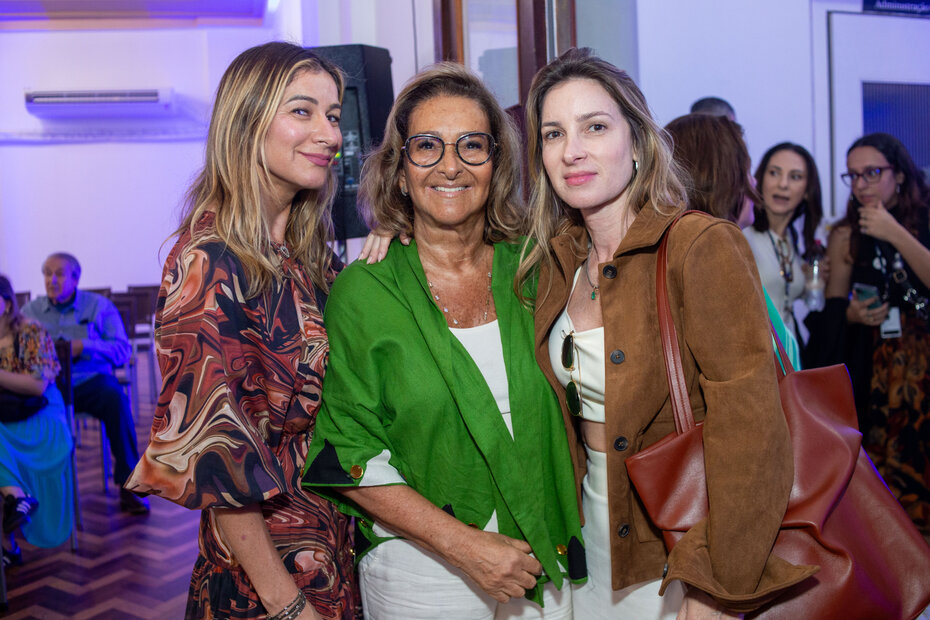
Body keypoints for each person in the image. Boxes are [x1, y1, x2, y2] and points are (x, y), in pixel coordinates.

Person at [518, 48, 811, 619]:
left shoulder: (698, 246)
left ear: (638, 140)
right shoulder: (556, 263)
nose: (571, 150)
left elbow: (750, 426)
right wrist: (391, 232)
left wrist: (720, 585)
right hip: (588, 534)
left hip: (683, 541)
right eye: (553, 133)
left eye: (595, 127)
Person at [302, 62, 584, 620]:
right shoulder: (365, 292)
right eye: (427, 146)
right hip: (422, 570)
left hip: (545, 549)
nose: (450, 165)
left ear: (495, 164)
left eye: (471, 146)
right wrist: (465, 547)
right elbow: (349, 454)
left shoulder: (537, 268)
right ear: (400, 169)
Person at [124, 42, 358, 619]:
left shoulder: (305, 254)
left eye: (333, 115)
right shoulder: (208, 262)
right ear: (247, 121)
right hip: (265, 578)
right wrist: (286, 603)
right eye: (302, 112)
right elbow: (216, 459)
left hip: (330, 543)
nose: (328, 133)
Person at [820, 132, 930, 535]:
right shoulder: (846, 233)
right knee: (885, 487)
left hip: (924, 362)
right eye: (853, 176)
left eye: (872, 173)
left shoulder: (923, 217)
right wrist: (848, 313)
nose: (862, 185)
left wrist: (892, 231)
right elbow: (832, 311)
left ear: (899, 174)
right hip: (876, 367)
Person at [664, 114, 803, 369]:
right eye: (746, 171)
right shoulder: (713, 262)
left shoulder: (702, 252)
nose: (753, 181)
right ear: (722, 180)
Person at [22, 253, 148, 515]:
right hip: (46, 388)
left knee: (115, 398)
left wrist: (84, 345)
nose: (51, 280)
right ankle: (24, 493)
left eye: (59, 274)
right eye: (47, 273)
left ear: (75, 278)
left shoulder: (98, 307)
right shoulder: (30, 312)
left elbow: (123, 350)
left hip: (88, 383)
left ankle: (130, 485)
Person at [0, 275, 74, 559]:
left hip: (41, 414)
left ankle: (8, 543)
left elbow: (37, 385)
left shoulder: (30, 331)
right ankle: (16, 501)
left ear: (7, 303)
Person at [744, 143, 825, 343]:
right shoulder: (744, 234)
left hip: (790, 358)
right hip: (755, 355)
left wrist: (811, 281)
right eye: (774, 173)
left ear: (807, 190)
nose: (783, 184)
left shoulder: (793, 239)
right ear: (760, 179)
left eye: (795, 177)